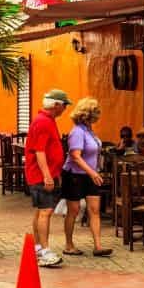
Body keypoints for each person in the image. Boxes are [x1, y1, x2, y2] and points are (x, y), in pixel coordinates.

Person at [61, 98, 112, 258]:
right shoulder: (77, 131)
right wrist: (92, 172)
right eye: (96, 112)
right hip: (74, 175)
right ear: (88, 114)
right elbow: (75, 156)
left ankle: (98, 246)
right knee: (74, 210)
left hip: (91, 174)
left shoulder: (89, 131)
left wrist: (95, 171)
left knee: (94, 210)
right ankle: (69, 245)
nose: (98, 115)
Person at [25, 89, 71, 268]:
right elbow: (40, 151)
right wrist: (47, 176)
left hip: (43, 173)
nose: (65, 109)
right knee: (46, 212)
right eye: (65, 105)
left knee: (40, 211)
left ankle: (38, 248)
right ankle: (45, 251)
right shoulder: (44, 122)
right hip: (41, 175)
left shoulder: (47, 120)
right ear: (56, 105)